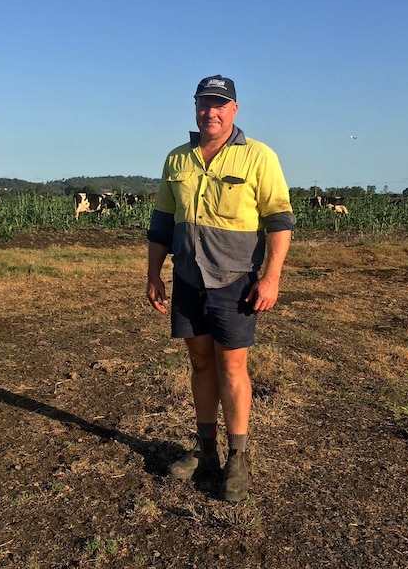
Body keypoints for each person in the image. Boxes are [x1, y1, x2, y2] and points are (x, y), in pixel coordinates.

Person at [146, 75, 295, 502]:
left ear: (234, 110)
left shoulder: (258, 157)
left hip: (234, 283)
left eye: (219, 104)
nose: (209, 111)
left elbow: (280, 221)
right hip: (189, 281)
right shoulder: (178, 160)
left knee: (231, 367)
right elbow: (161, 223)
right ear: (194, 107)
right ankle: (206, 452)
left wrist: (271, 277)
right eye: (202, 103)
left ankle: (237, 458)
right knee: (200, 364)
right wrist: (154, 274)